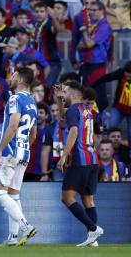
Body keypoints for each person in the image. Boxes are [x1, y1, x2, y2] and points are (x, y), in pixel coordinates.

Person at [0, 67, 37, 246]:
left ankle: (26, 225)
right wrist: (23, 148)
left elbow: (13, 125)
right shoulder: (32, 101)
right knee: (13, 194)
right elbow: (34, 133)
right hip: (24, 151)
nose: (10, 77)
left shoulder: (15, 98)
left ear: (18, 78)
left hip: (11, 151)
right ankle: (12, 238)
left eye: (12, 74)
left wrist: (0, 150)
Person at [57, 80, 104, 246]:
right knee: (88, 199)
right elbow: (62, 114)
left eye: (66, 92)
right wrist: (59, 98)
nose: (65, 94)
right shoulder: (87, 110)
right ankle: (93, 240)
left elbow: (74, 130)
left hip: (80, 159)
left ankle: (93, 228)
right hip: (93, 160)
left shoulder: (74, 109)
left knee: (67, 197)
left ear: (75, 94)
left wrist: (64, 156)